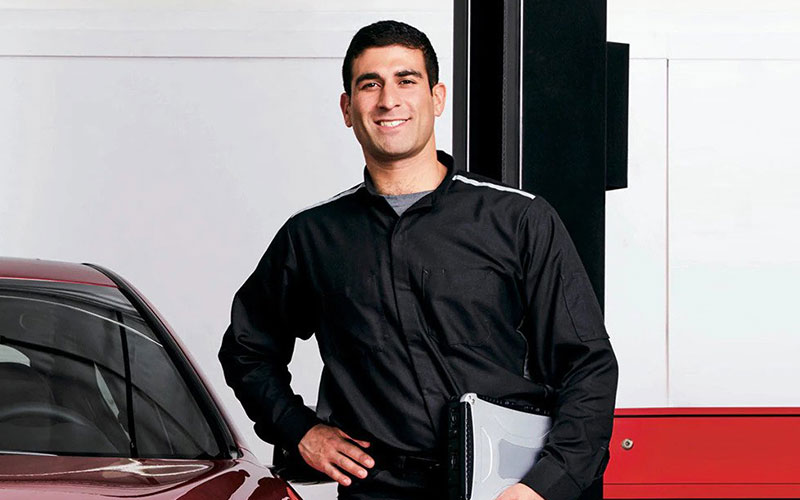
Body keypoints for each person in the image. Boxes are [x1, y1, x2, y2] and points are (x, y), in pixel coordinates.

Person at [219, 20, 618, 500]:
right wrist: (299, 429)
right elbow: (247, 349)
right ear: (347, 108)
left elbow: (587, 366)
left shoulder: (519, 219)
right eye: (370, 85)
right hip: (378, 491)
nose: (389, 100)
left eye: (406, 80)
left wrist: (543, 485)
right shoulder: (312, 237)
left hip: (504, 490)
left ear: (437, 98)